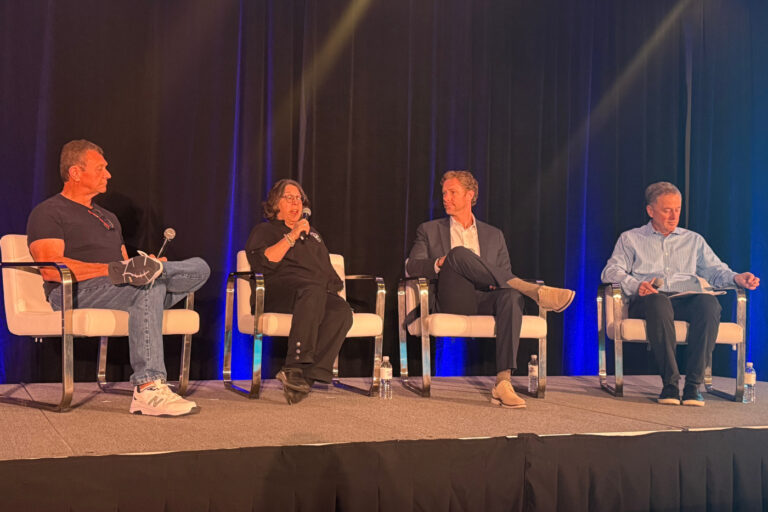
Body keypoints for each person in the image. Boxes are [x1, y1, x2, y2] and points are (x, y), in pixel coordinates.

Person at [26, 139, 210, 416]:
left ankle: (157, 271)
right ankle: (147, 388)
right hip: (72, 291)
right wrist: (116, 270)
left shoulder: (109, 217)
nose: (108, 174)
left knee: (200, 268)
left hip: (120, 287)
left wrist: (143, 267)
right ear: (75, 173)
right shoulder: (49, 212)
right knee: (146, 285)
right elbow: (51, 268)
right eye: (100, 168)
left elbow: (125, 264)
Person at [406, 170, 575, 409]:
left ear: (469, 195)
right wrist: (439, 262)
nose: (445, 198)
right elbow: (410, 266)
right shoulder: (429, 230)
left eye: (452, 192)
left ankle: (503, 382)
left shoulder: (494, 235)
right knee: (458, 254)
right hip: (452, 297)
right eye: (444, 193)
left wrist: (495, 283)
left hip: (485, 296)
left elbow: (504, 274)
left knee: (511, 296)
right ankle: (535, 292)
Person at [601, 181, 759, 406]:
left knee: (708, 304)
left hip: (685, 298)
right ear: (650, 211)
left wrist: (736, 278)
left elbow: (715, 271)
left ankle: (693, 387)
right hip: (649, 299)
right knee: (658, 301)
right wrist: (636, 284)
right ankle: (670, 384)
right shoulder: (631, 238)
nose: (674, 216)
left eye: (677, 209)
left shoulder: (693, 240)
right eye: (667, 210)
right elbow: (610, 271)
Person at [245, 179, 353, 405]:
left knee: (341, 310)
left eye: (299, 198)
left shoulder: (313, 235)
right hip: (276, 292)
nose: (296, 203)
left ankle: (307, 376)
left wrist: (331, 291)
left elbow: (327, 273)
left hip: (311, 295)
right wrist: (292, 236)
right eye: (289, 197)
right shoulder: (265, 230)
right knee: (312, 290)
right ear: (276, 203)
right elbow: (263, 262)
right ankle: (294, 366)